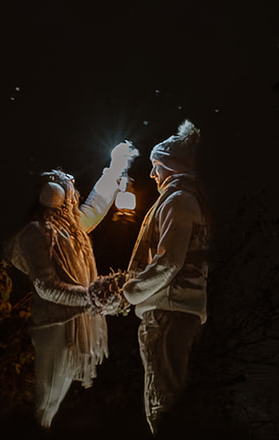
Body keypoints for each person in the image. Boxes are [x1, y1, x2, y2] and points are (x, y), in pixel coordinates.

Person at [6, 141, 136, 429]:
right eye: (67, 186)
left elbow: (98, 204)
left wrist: (115, 168)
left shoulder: (72, 228)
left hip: (74, 322)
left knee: (51, 403)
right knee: (44, 402)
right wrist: (90, 297)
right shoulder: (35, 233)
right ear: (54, 193)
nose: (73, 190)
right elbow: (45, 285)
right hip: (52, 325)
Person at [102, 120, 209, 432]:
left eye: (156, 166)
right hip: (173, 312)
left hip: (168, 311)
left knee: (163, 404)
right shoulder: (184, 200)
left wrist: (127, 293)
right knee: (167, 401)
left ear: (170, 167)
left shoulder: (178, 201)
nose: (152, 174)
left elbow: (168, 263)